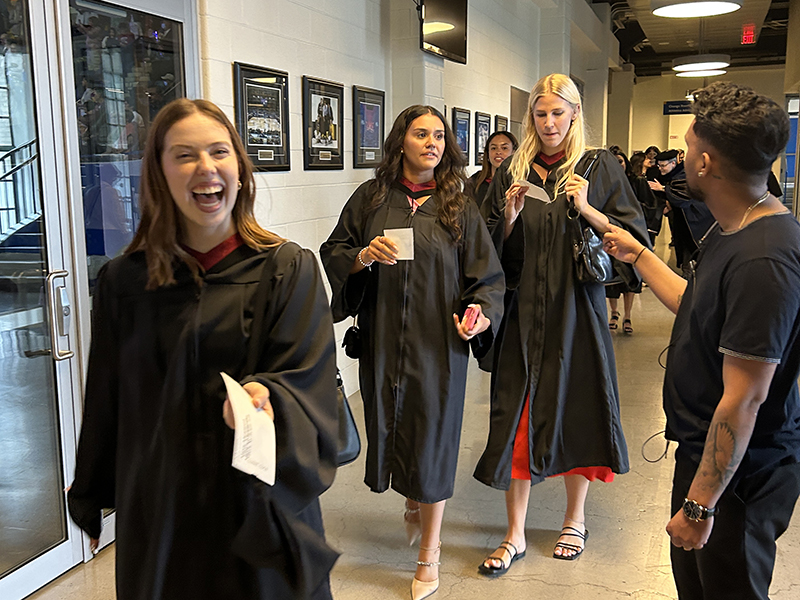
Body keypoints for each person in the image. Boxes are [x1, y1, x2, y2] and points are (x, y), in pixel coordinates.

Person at [67, 99, 340, 600]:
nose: (206, 167)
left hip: (257, 500)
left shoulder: (285, 270)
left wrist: (268, 395)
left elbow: (310, 374)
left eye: (219, 151)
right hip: (161, 502)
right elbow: (106, 395)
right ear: (159, 172)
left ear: (239, 166)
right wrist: (88, 491)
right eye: (184, 155)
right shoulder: (124, 282)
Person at [603, 81, 800, 600]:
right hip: (708, 462)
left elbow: (745, 399)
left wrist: (700, 505)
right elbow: (700, 305)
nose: (682, 158)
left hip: (739, 476)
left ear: (707, 162)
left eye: (688, 148)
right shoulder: (737, 227)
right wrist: (640, 256)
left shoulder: (765, 258)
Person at [320, 104, 505, 600]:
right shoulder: (372, 197)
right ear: (401, 139)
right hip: (383, 337)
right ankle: (411, 497)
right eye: (421, 134)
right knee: (393, 424)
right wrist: (361, 257)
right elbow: (334, 250)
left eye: (440, 136)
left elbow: (487, 277)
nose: (432, 143)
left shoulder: (459, 204)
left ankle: (430, 554)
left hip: (439, 342)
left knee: (435, 439)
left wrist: (480, 313)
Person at [474, 74, 650, 576]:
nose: (548, 123)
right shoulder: (513, 170)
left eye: (557, 113)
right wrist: (507, 218)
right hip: (524, 309)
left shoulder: (600, 166)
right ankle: (515, 534)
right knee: (517, 415)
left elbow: (633, 240)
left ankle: (575, 520)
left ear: (575, 113)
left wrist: (588, 208)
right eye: (539, 113)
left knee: (578, 407)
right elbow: (486, 248)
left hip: (578, 309)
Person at [606, 146, 645, 334]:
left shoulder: (637, 183)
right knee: (612, 279)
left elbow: (650, 206)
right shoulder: (603, 183)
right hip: (610, 237)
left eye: (620, 161)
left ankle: (627, 315)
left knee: (630, 278)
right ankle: (614, 313)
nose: (617, 165)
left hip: (633, 237)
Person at [466, 130, 518, 208]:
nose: (498, 152)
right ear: (487, 153)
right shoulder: (474, 181)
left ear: (514, 152)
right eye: (493, 148)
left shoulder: (519, 183)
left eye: (504, 148)